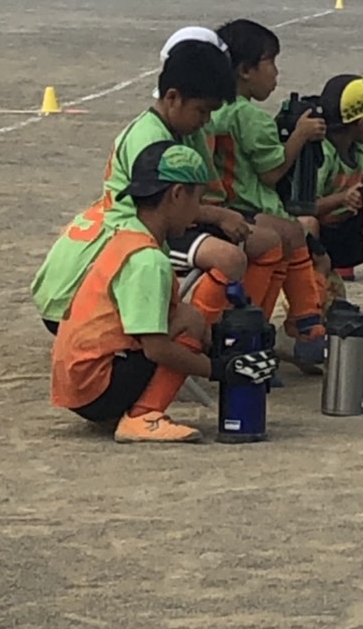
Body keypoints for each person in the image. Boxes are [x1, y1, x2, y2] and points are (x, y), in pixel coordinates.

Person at [32, 40, 282, 334]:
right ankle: (206, 340)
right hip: (129, 231)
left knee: (270, 238)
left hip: (163, 223)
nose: (206, 121)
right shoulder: (149, 139)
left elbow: (200, 194)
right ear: (173, 97)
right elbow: (166, 205)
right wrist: (217, 216)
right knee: (225, 264)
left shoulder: (187, 130)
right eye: (201, 111)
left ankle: (244, 332)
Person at [51, 141, 272, 445]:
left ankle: (138, 411)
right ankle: (144, 416)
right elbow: (157, 349)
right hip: (95, 387)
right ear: (177, 194)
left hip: (79, 379)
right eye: (197, 200)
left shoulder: (129, 235)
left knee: (185, 317)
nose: (198, 212)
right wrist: (219, 370)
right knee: (189, 321)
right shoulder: (148, 260)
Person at [209, 18, 329, 366]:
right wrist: (300, 135)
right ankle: (298, 324)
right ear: (246, 70)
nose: (275, 73)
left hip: (231, 202)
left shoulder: (220, 112)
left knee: (293, 234)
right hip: (248, 204)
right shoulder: (250, 117)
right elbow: (272, 171)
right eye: (271, 63)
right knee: (292, 234)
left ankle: (299, 323)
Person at [315, 74, 363, 273]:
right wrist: (343, 198)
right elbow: (303, 207)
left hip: (345, 232)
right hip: (319, 237)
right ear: (361, 121)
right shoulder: (322, 154)